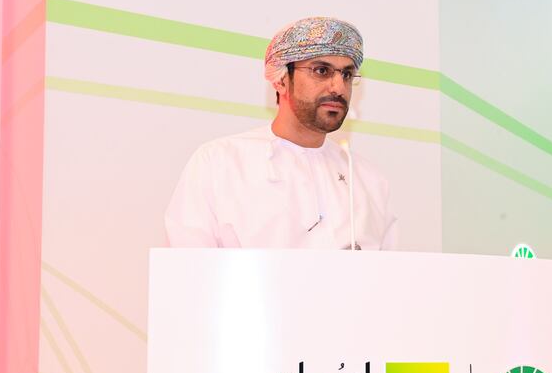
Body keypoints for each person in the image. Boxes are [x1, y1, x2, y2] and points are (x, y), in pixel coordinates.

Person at [165, 17, 397, 249]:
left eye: (346, 75)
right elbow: (188, 265)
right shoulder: (219, 163)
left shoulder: (369, 182)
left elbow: (389, 269)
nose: (338, 88)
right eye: (321, 70)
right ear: (281, 80)